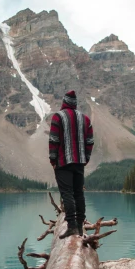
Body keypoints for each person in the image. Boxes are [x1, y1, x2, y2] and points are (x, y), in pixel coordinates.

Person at [48, 90, 94, 238]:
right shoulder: (85, 119)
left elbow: (54, 140)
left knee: (67, 193)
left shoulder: (58, 117)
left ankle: (72, 226)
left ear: (64, 102)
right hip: (79, 162)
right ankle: (80, 226)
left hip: (63, 162)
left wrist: (53, 160)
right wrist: (85, 159)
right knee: (79, 193)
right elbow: (90, 142)